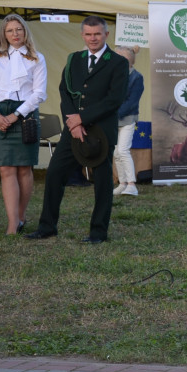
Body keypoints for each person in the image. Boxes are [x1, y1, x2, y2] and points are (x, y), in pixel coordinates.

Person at [26, 16, 128, 244]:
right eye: (88, 34)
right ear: (82, 35)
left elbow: (115, 99)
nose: (93, 38)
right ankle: (47, 227)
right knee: (54, 174)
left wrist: (81, 118)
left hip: (101, 132)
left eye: (97, 34)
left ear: (106, 35)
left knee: (102, 183)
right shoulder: (74, 59)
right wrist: (73, 123)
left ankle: (98, 233)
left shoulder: (118, 63)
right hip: (73, 131)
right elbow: (65, 92)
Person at [0, 13, 47, 235]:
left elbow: (39, 94)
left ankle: (21, 216)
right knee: (5, 169)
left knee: (24, 168)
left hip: (25, 113)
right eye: (10, 30)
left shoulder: (37, 58)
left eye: (18, 29)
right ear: (4, 34)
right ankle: (12, 223)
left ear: (25, 31)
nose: (15, 34)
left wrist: (16, 115)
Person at [113, 45, 143, 197]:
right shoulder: (114, 75)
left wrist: (114, 113)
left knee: (123, 150)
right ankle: (122, 183)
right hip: (113, 119)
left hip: (127, 119)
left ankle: (132, 184)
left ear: (129, 61)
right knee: (116, 152)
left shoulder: (137, 77)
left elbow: (132, 102)